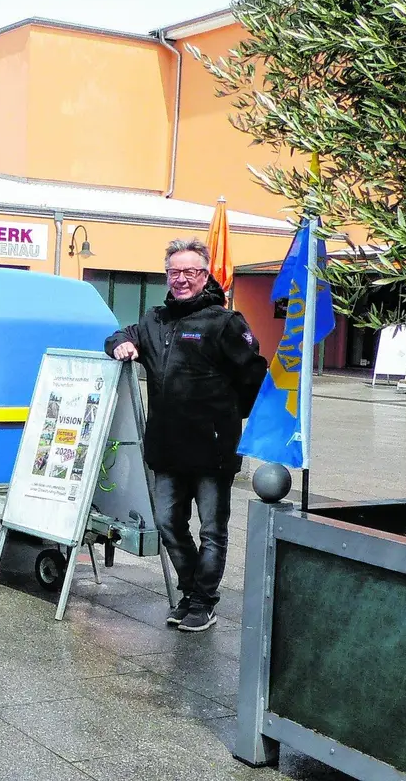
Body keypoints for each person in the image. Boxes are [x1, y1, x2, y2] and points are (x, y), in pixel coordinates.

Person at [106, 238, 266, 632]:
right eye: (174, 272)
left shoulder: (225, 322)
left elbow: (255, 373)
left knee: (212, 530)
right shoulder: (153, 320)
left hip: (212, 450)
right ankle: (192, 590)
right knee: (167, 525)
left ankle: (203, 603)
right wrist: (121, 344)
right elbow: (116, 335)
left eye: (190, 272)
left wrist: (229, 416)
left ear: (205, 274)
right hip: (166, 448)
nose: (181, 279)